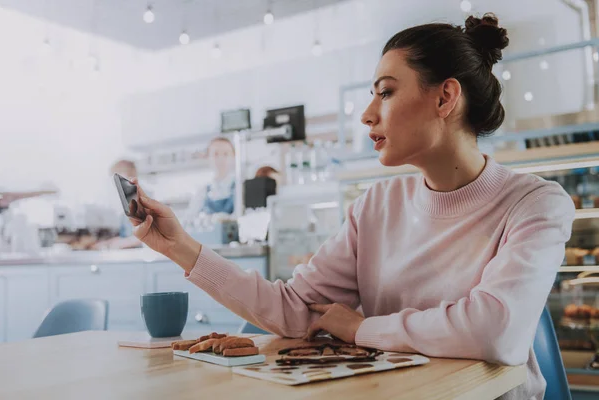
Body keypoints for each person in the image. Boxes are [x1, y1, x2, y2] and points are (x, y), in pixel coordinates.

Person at [127, 14, 573, 399]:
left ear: (445, 98)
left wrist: (361, 329)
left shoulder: (536, 204)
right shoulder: (376, 205)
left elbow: (495, 331)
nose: (367, 114)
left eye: (386, 92)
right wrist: (180, 246)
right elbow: (296, 310)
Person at [92, 159, 142, 250]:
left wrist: (120, 243)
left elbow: (146, 237)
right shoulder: (127, 204)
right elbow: (127, 236)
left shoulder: (141, 203)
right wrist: (108, 243)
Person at [184, 137, 236, 223]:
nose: (221, 159)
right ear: (208, 158)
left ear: (234, 157)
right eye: (215, 154)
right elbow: (188, 220)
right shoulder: (202, 191)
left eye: (226, 154)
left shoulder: (240, 188)